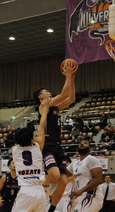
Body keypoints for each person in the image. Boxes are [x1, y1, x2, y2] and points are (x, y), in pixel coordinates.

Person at [33, 60, 76, 212]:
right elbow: (64, 94)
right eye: (45, 92)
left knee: (63, 182)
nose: (48, 92)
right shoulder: (44, 105)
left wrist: (72, 78)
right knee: (55, 175)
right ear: (40, 97)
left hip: (57, 146)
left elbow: (70, 98)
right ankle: (31, 182)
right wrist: (68, 75)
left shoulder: (54, 107)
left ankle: (51, 209)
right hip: (48, 145)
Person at [11, 98, 50, 212]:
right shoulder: (38, 146)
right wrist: (45, 108)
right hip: (40, 192)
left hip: (26, 191)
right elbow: (42, 125)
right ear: (32, 138)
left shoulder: (15, 150)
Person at [67, 140, 103, 212]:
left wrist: (81, 191)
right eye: (80, 143)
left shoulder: (91, 159)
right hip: (81, 197)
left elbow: (98, 180)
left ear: (89, 149)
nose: (82, 144)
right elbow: (62, 175)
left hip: (92, 196)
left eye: (85, 143)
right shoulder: (75, 164)